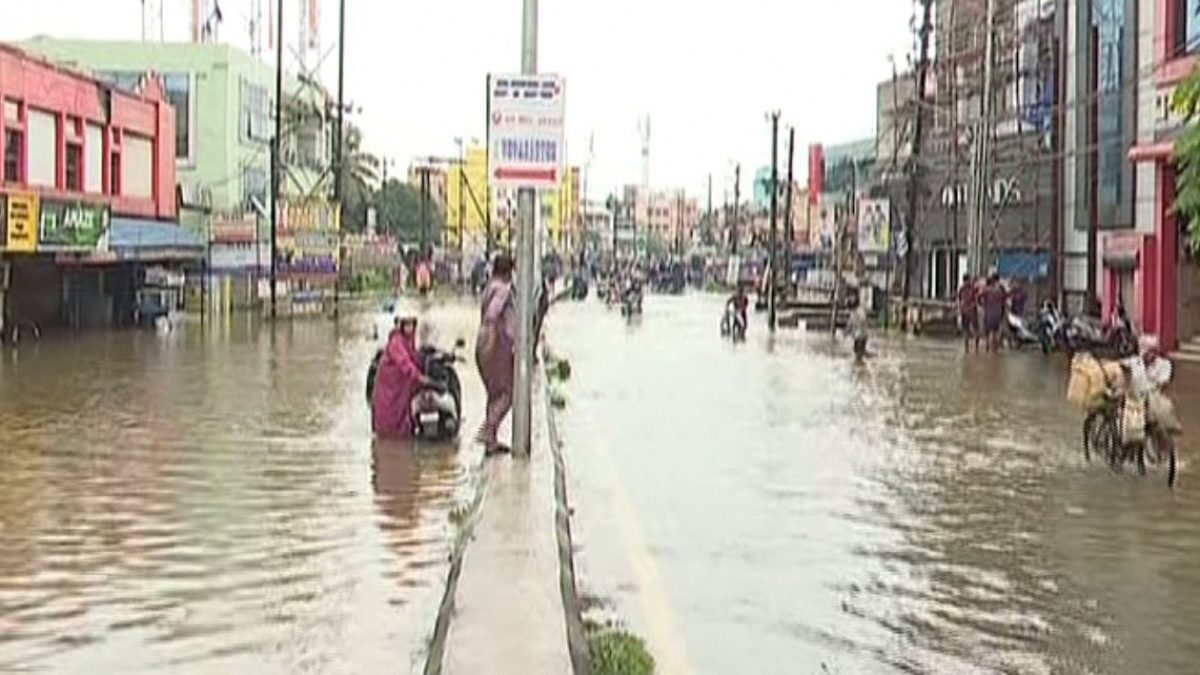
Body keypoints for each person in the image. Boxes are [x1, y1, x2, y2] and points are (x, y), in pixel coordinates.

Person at [476, 254, 517, 455]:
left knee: (493, 393)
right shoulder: (503, 290)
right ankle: (488, 429)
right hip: (496, 345)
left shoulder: (489, 287)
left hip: (481, 342)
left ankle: (491, 441)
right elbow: (493, 314)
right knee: (509, 393)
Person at [372, 317, 432, 438]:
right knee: (390, 418)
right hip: (390, 388)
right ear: (401, 326)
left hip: (402, 387)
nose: (409, 328)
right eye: (406, 325)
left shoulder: (409, 340)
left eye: (411, 325)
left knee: (404, 418)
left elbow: (413, 356)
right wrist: (419, 377)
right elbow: (404, 362)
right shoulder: (396, 342)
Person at [979, 273, 1007, 352]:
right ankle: (995, 350)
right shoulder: (1001, 289)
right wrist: (1003, 311)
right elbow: (1004, 300)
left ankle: (987, 349)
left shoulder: (986, 289)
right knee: (995, 332)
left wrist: (982, 304)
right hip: (998, 312)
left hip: (988, 312)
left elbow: (979, 297)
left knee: (987, 333)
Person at [957, 274, 979, 353]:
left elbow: (959, 300)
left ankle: (967, 349)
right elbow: (976, 299)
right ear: (968, 280)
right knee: (976, 329)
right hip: (972, 310)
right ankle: (976, 349)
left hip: (964, 310)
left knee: (966, 330)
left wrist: (960, 309)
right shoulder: (972, 288)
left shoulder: (961, 289)